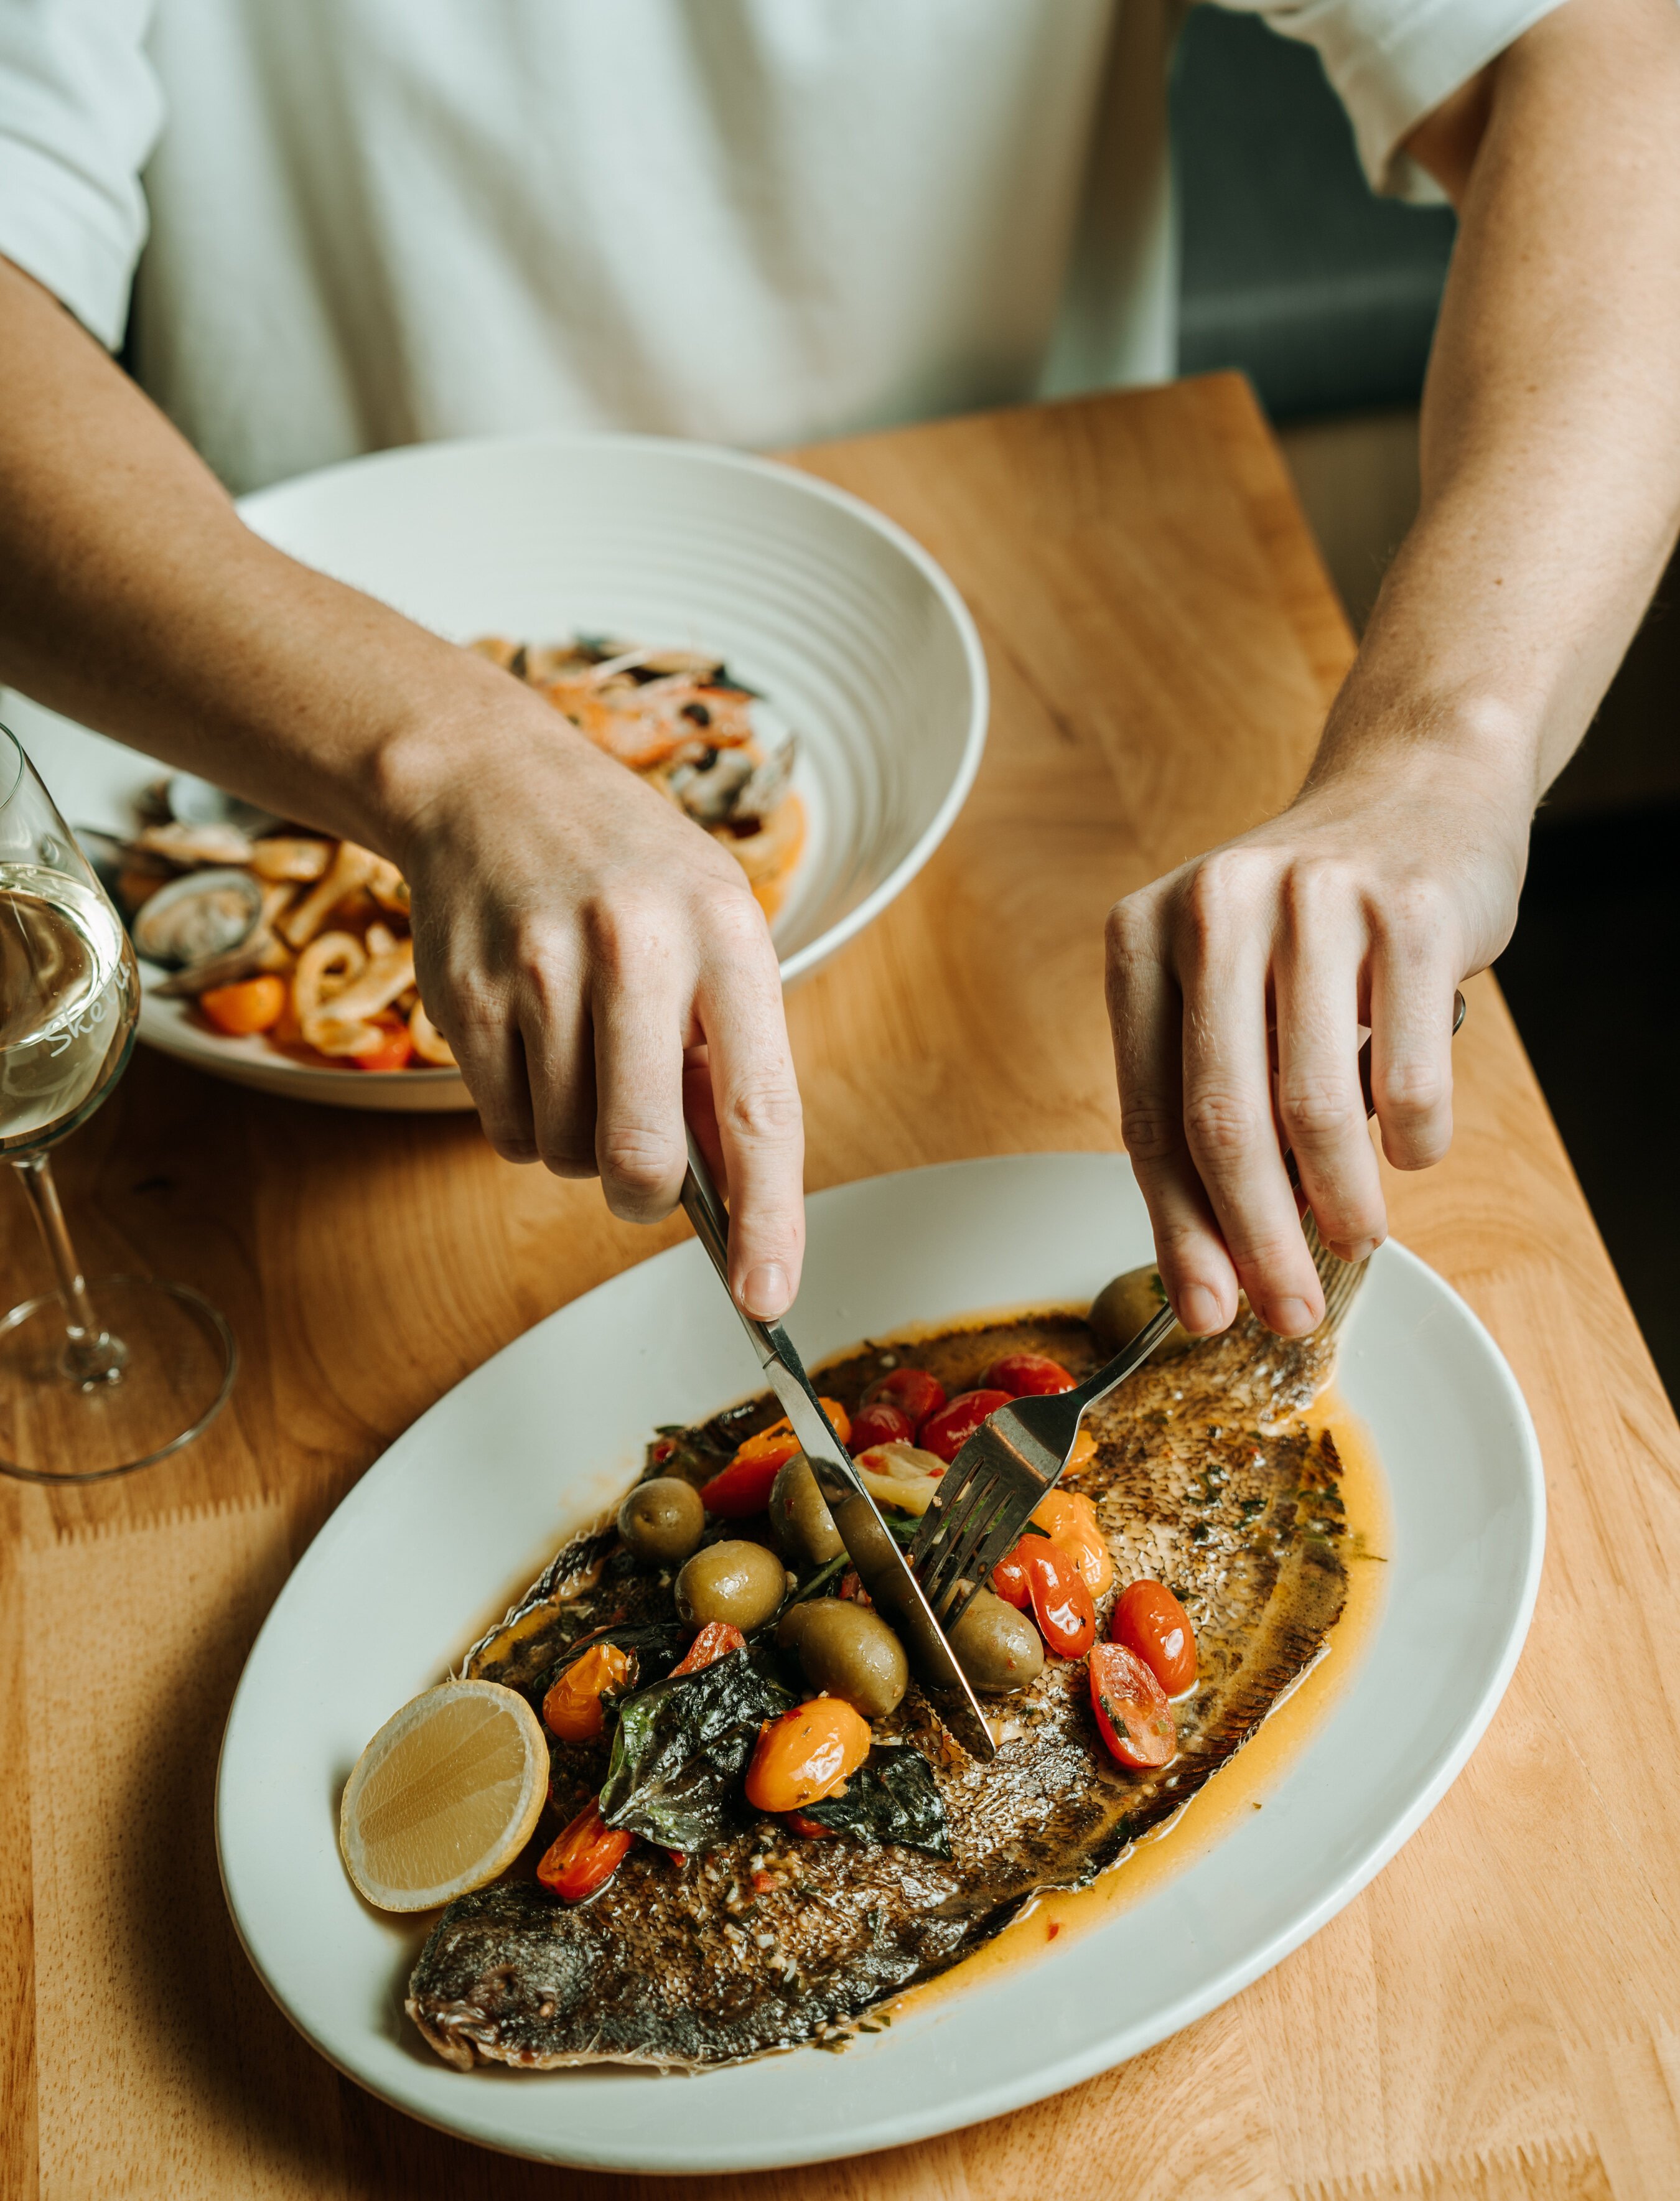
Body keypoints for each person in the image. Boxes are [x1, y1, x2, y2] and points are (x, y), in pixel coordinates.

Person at [1, 1, 1676, 1337]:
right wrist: (449, 753)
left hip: (1033, 723)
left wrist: (1439, 749)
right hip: (270, 695)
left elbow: (1596, 51)